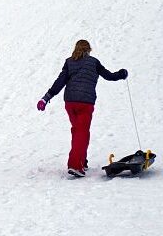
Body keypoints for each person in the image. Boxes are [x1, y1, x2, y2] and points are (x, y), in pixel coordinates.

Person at [37, 39, 127, 177]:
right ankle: (75, 165)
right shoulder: (94, 62)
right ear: (89, 50)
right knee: (81, 133)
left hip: (70, 103)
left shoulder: (69, 62)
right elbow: (109, 76)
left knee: (79, 132)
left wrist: (46, 98)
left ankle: (82, 161)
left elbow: (60, 81)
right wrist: (121, 74)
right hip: (85, 103)